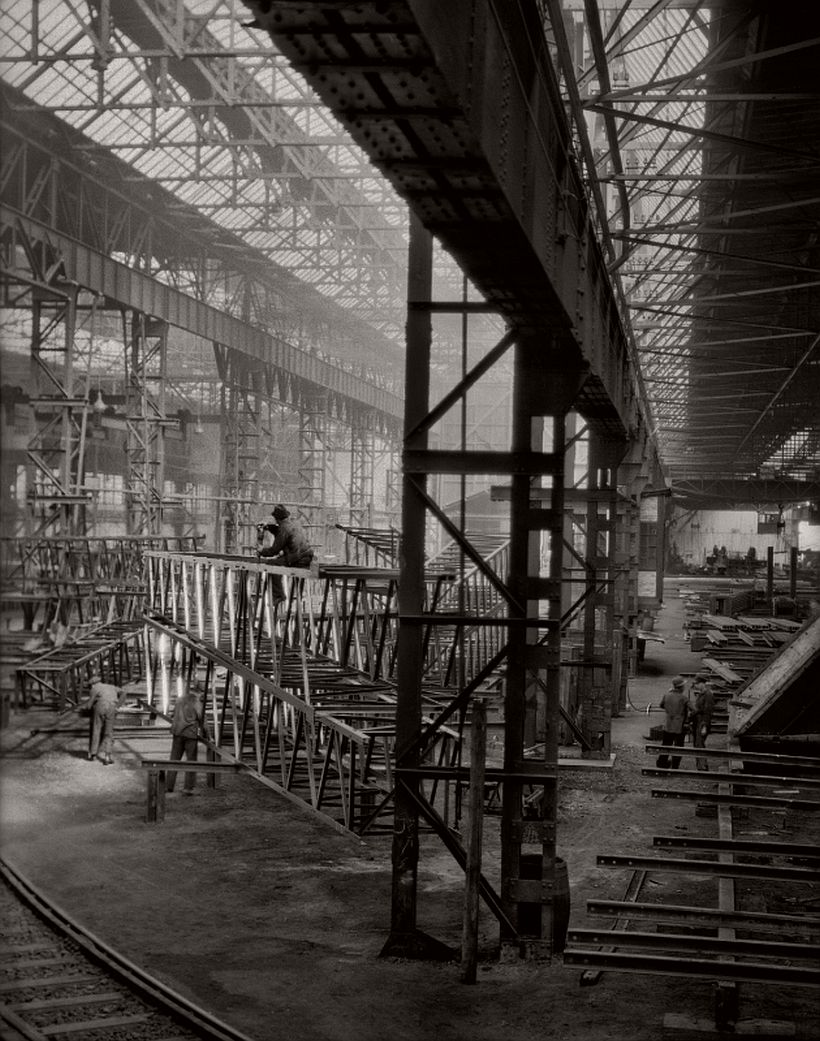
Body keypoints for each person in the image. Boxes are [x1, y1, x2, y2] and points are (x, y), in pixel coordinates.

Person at [256, 504, 315, 604]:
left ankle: (278, 595)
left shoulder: (283, 529)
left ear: (277, 519)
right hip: (307, 557)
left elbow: (274, 551)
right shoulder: (294, 523)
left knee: (272, 565)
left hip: (298, 559)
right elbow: (281, 533)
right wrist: (269, 528)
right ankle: (280, 594)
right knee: (279, 560)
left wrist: (262, 551)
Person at [167, 684, 206, 795]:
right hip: (190, 735)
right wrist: (209, 736)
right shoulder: (196, 702)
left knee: (174, 760)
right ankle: (188, 788)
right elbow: (202, 719)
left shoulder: (179, 700)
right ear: (199, 692)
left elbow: (173, 714)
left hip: (177, 733)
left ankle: (169, 786)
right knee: (191, 761)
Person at [84, 671, 127, 765]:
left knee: (96, 729)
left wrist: (87, 706)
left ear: (92, 684)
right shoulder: (111, 686)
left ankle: (93, 754)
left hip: (100, 707)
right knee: (109, 732)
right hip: (112, 707)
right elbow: (124, 693)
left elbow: (89, 706)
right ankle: (107, 757)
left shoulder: (94, 689)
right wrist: (118, 706)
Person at [657, 675, 690, 769]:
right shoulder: (683, 698)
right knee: (678, 747)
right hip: (679, 726)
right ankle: (675, 766)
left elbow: (661, 705)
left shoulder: (667, 695)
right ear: (681, 687)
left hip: (668, 724)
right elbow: (694, 709)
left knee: (666, 744)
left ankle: (661, 764)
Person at [690, 672, 716, 770]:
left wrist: (704, 726)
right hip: (698, 722)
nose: (695, 686)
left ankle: (703, 767)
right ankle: (701, 766)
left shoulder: (708, 695)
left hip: (702, 722)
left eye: (697, 684)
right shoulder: (701, 694)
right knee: (697, 744)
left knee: (699, 744)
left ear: (702, 683)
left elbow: (708, 712)